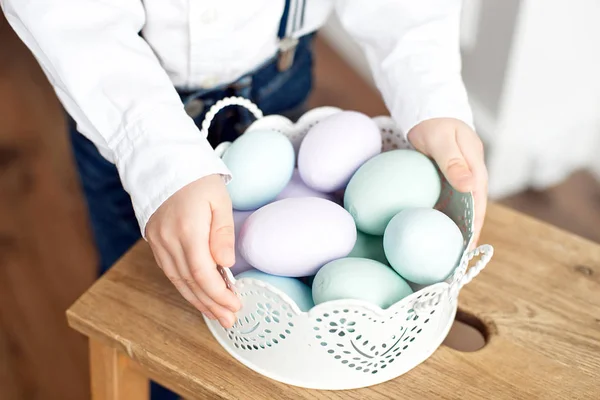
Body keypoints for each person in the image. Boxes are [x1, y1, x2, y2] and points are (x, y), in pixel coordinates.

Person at [1, 1, 488, 396]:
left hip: (277, 73)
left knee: (250, 324)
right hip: (122, 102)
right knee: (151, 304)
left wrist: (430, 92)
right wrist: (153, 152)